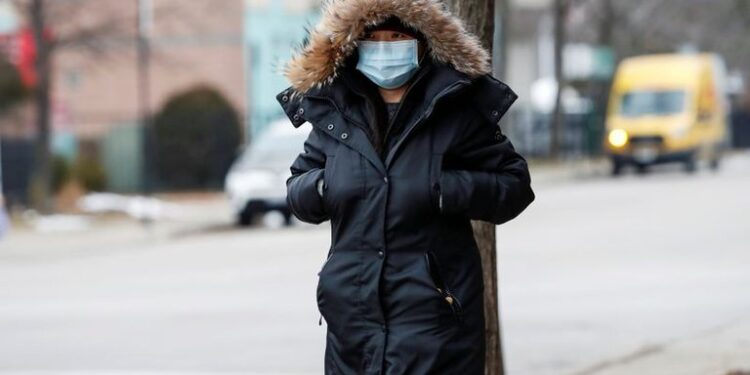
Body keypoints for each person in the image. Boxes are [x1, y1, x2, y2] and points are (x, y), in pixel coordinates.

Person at [276, 0, 535, 373]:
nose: (384, 48)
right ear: (355, 46)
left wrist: (443, 189)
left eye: (396, 36)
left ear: (422, 43)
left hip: (435, 326)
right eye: (374, 38)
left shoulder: (453, 106)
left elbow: (514, 185)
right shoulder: (335, 112)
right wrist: (323, 187)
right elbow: (297, 187)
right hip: (353, 326)